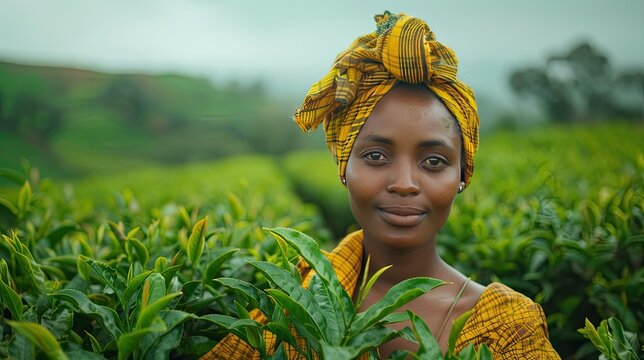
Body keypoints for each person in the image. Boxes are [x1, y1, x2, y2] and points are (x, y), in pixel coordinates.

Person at [202, 11, 560, 359]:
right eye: (376, 156)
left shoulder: (508, 330)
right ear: (344, 167)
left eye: (433, 162)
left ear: (462, 175)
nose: (404, 184)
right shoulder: (295, 301)